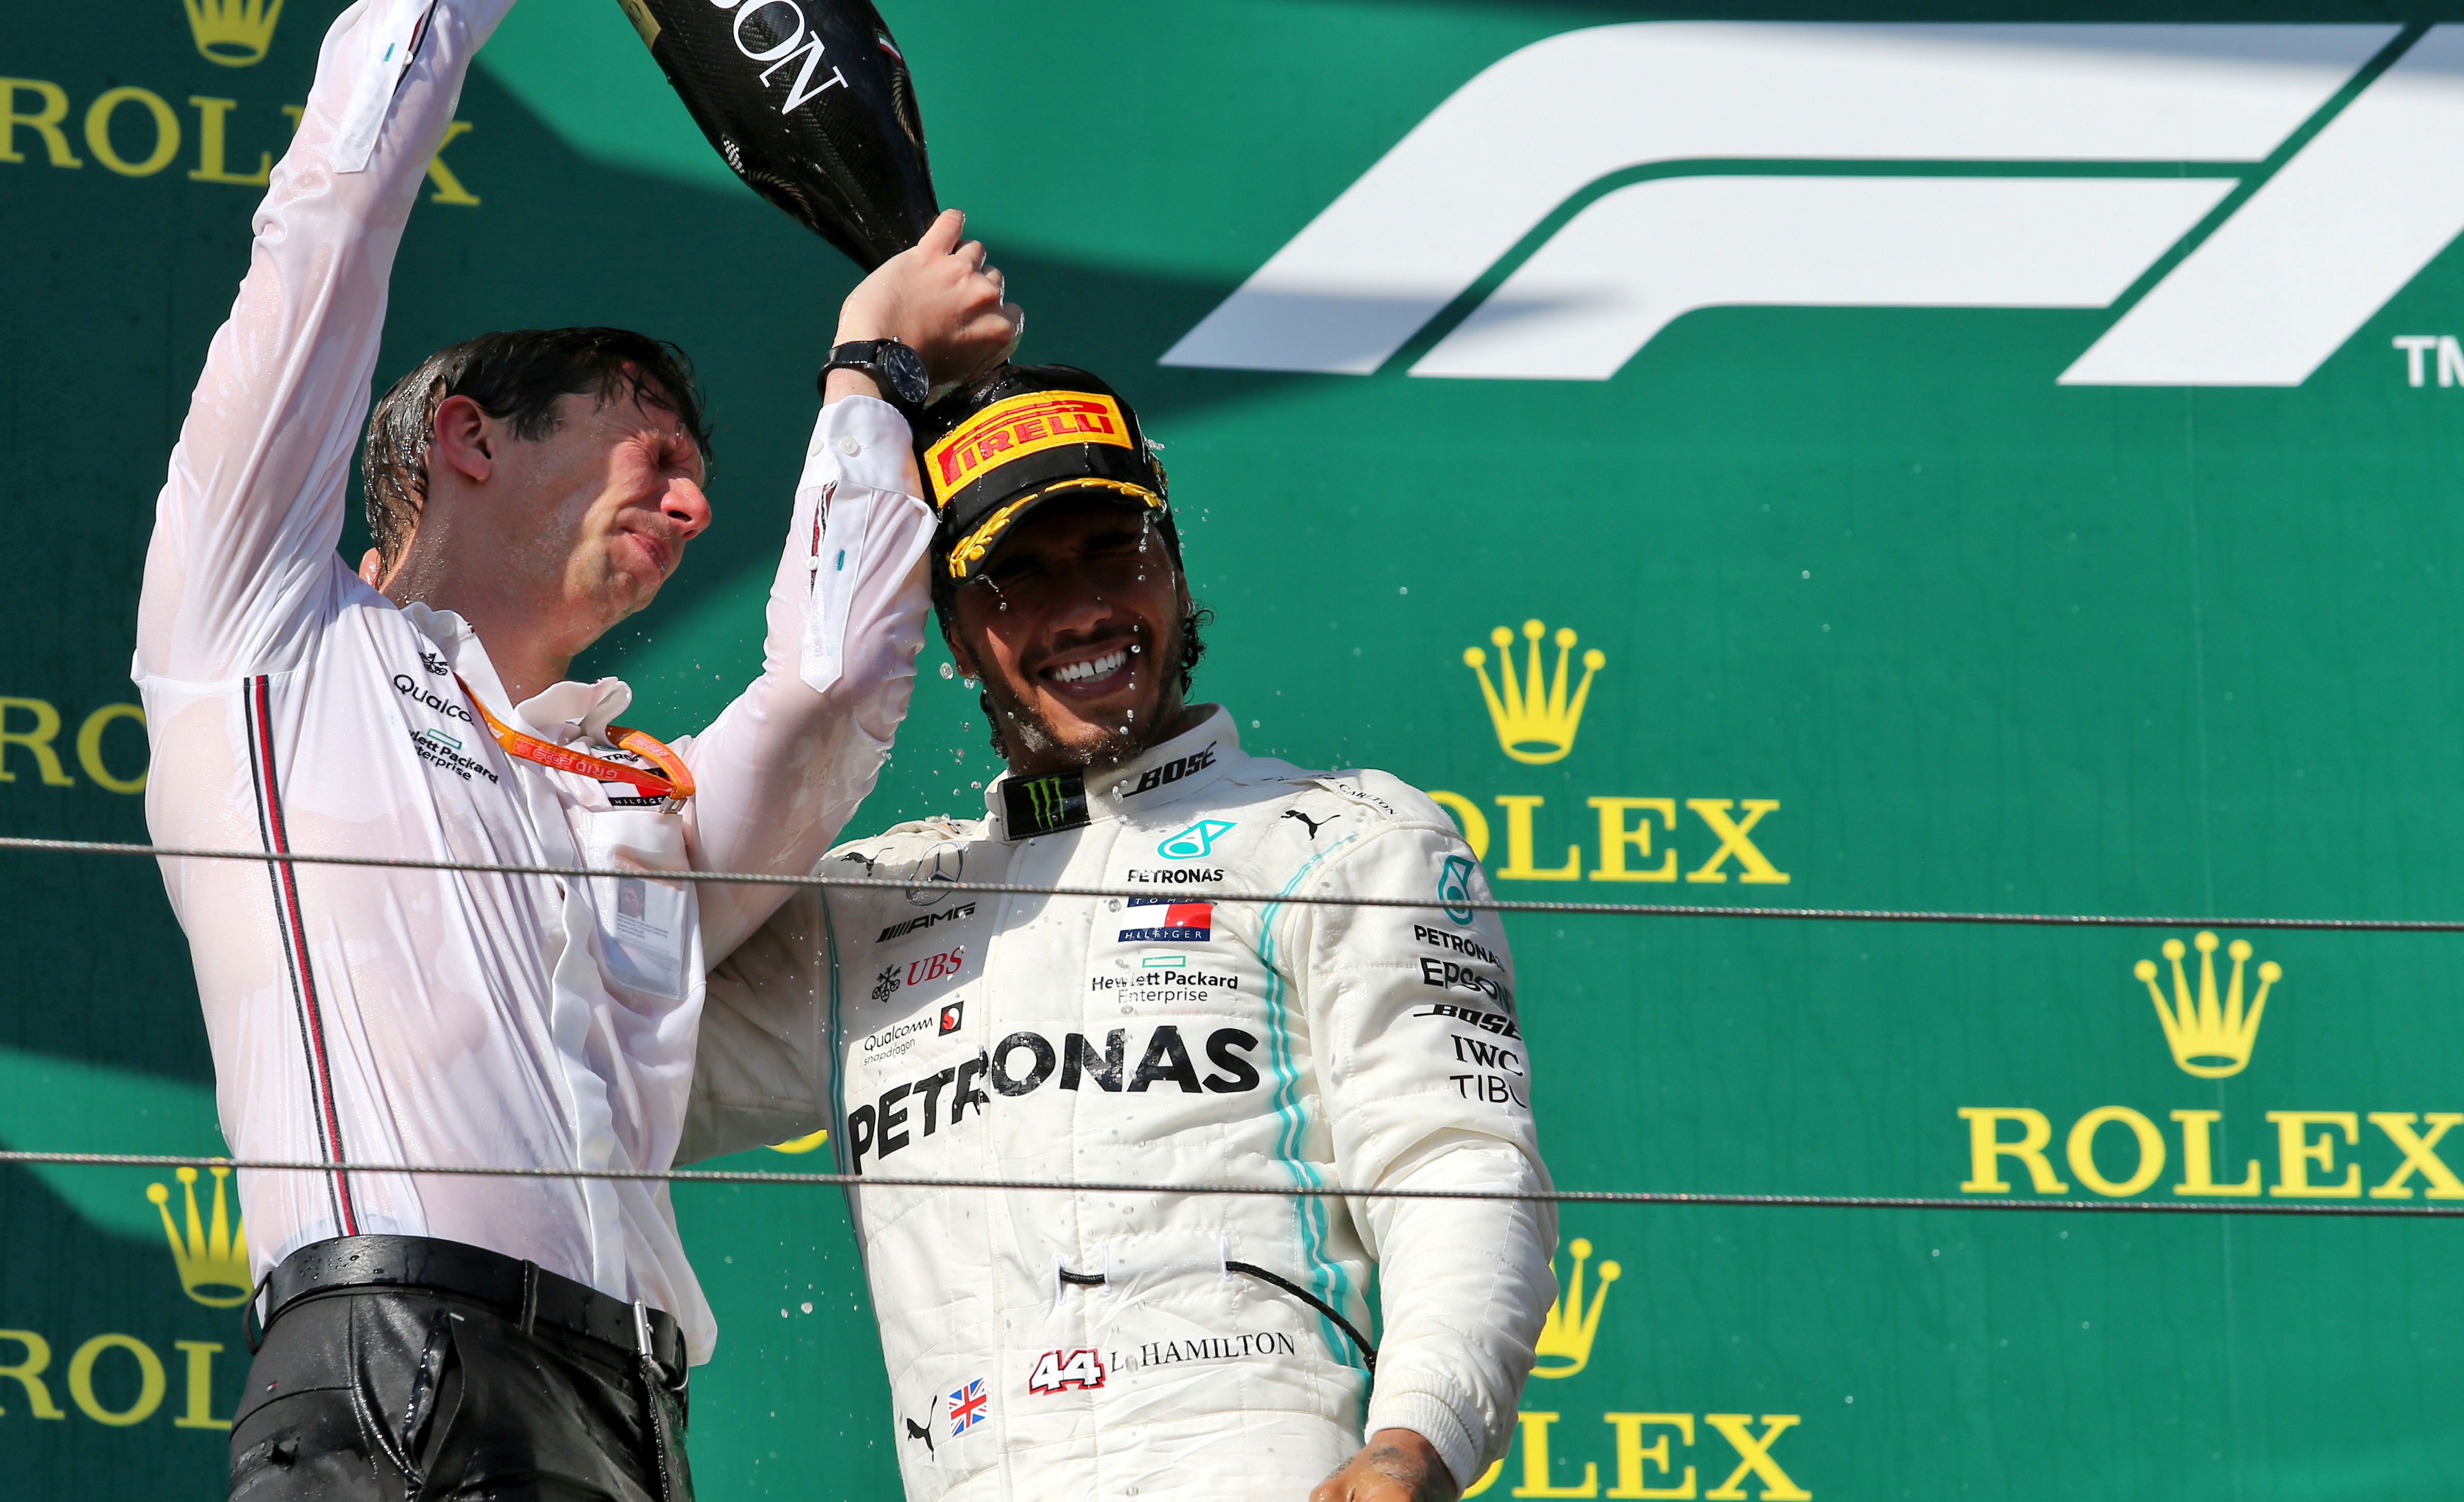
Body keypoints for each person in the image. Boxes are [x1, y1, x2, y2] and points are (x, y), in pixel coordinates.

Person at [130, 0, 1018, 1494]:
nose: (690, 509)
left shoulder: (633, 798)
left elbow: (834, 685)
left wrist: (874, 381)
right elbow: (327, 230)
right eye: (653, 451)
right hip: (393, 1363)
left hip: (633, 1415)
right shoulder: (268, 634)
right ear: (472, 440)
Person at [684, 364, 1557, 1502]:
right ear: (947, 631)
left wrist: (1416, 1440)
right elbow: (551, 1051)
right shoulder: (869, 908)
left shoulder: (1344, 835)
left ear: (1177, 567)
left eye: (1114, 550)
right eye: (1018, 576)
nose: (1084, 607)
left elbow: (1457, 1162)